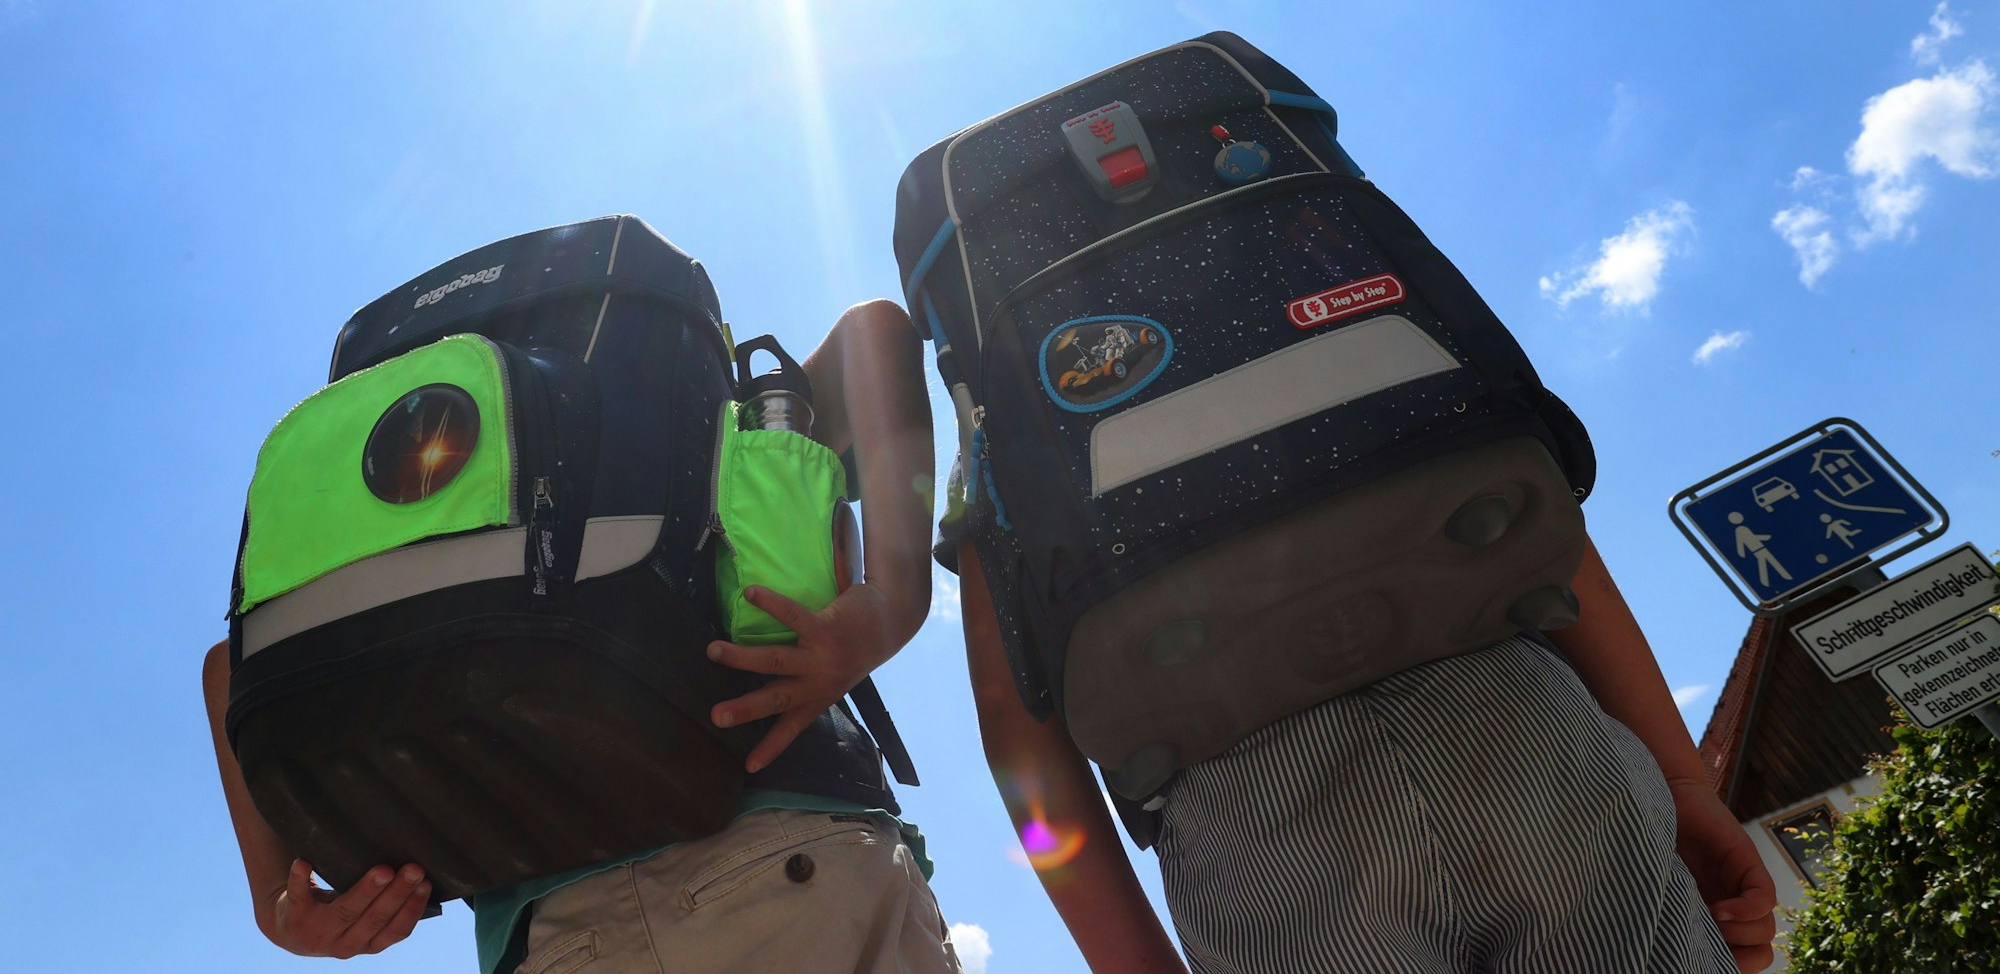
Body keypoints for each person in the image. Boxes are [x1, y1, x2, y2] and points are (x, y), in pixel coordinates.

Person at [205, 299, 960, 974]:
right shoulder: (667, 431)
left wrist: (279, 904)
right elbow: (876, 334)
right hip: (781, 841)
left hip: (554, 934)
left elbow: (227, 668)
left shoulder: (372, 545)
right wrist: (888, 603)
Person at [952, 519, 1780, 974]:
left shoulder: (996, 372)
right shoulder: (1301, 228)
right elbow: (1547, 523)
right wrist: (1680, 779)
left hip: (1243, 809)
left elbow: (1012, 710)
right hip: (1512, 714)